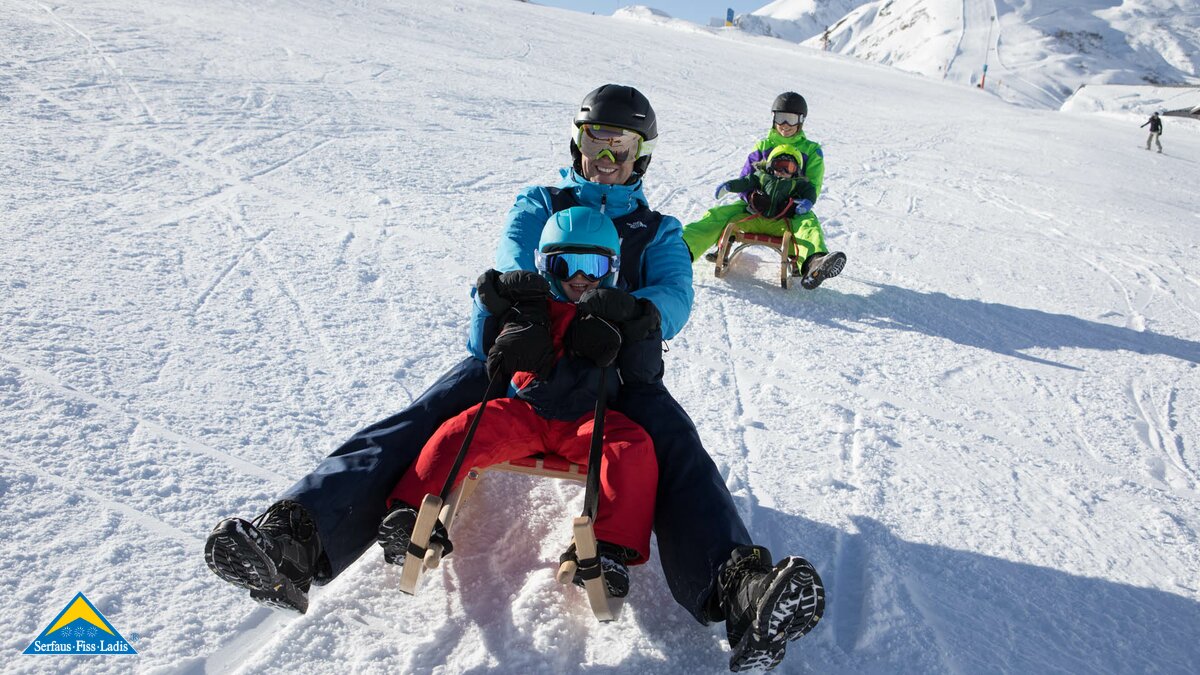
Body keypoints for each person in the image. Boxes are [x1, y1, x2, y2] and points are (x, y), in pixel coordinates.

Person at [203, 84, 824, 672]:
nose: (606, 157)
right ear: (577, 141)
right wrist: (522, 308)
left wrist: (633, 314)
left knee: (674, 444)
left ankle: (740, 588)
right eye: (596, 140)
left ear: (642, 155)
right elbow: (512, 259)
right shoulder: (541, 202)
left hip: (614, 367)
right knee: (425, 416)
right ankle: (296, 538)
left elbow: (675, 294)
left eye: (622, 146)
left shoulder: (655, 229)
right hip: (524, 351)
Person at [377, 206, 660, 599]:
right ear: (545, 266)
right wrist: (489, 302)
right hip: (526, 412)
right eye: (565, 265)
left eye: (592, 265)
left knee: (633, 448)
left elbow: (645, 375)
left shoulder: (618, 310)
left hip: (589, 420)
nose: (579, 277)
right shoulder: (531, 305)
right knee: (463, 427)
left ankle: (609, 547)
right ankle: (411, 511)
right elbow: (481, 348)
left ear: (610, 268)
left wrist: (642, 323)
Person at [683, 144, 846, 289]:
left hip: (782, 224)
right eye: (779, 165)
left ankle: (814, 263)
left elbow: (810, 192)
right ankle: (685, 248)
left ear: (796, 170)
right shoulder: (760, 176)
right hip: (753, 219)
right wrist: (730, 186)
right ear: (769, 165)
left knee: (807, 225)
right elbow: (745, 182)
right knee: (726, 218)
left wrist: (807, 203)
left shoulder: (798, 183)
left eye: (788, 168)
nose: (782, 171)